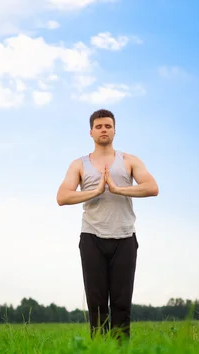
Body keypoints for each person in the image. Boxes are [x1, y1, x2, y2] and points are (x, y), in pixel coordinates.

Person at [56, 109, 159, 341]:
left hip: (124, 238)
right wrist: (94, 191)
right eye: (99, 126)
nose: (104, 130)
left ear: (114, 130)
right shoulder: (79, 164)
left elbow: (152, 187)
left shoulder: (129, 161)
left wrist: (117, 189)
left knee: (122, 303)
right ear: (91, 131)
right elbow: (62, 197)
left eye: (108, 126)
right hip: (92, 238)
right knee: (97, 304)